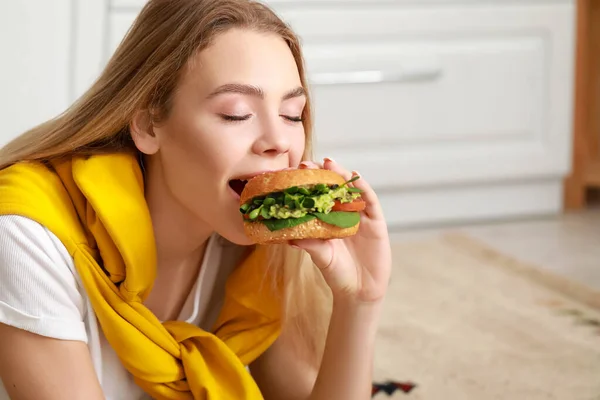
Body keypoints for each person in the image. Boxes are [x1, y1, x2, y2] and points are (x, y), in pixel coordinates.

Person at [0, 0, 392, 399]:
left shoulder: (258, 254)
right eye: (237, 114)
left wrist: (360, 300)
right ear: (149, 124)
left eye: (292, 114)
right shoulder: (28, 237)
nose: (278, 142)